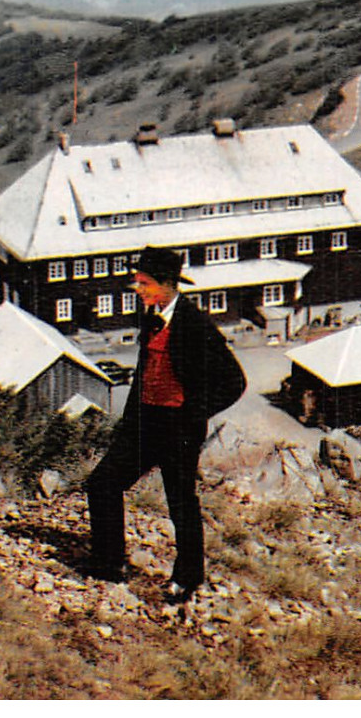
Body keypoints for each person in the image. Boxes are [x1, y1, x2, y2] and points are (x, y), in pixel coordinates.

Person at [83, 246, 247, 605]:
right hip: (143, 425)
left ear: (167, 284)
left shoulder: (196, 324)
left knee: (180, 503)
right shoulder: (151, 317)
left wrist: (193, 412)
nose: (137, 289)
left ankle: (187, 579)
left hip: (179, 429)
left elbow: (234, 382)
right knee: (102, 483)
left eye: (144, 283)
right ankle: (108, 564)